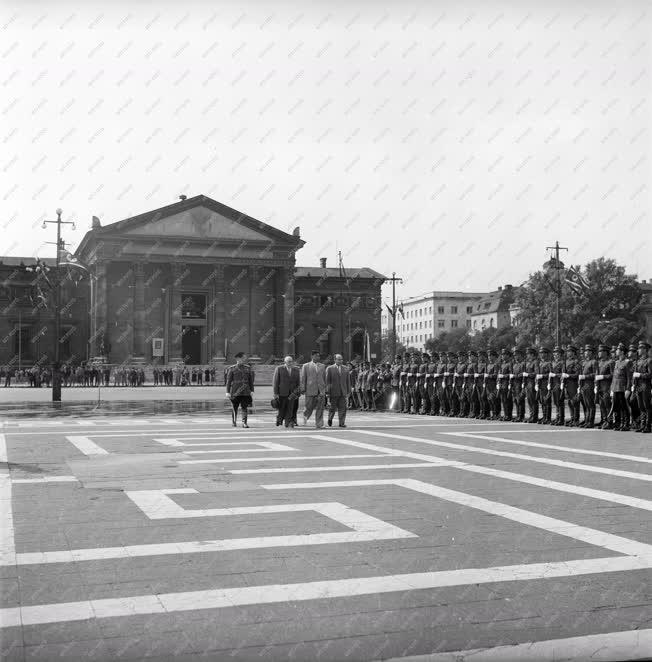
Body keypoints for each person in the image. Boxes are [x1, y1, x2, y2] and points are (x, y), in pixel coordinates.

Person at [225, 352, 255, 428]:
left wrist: (252, 390)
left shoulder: (247, 368)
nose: (244, 359)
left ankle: (244, 423)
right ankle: (234, 422)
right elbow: (228, 381)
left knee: (244, 407)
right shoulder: (231, 368)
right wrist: (227, 392)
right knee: (234, 407)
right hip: (235, 392)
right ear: (238, 359)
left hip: (245, 391)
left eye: (244, 358)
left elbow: (250, 381)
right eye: (243, 358)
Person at [273, 355, 301, 428]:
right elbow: (276, 381)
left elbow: (298, 383)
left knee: (290, 408)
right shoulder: (279, 369)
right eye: (289, 361)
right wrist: (275, 393)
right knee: (282, 408)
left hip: (292, 393)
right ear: (285, 362)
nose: (290, 363)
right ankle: (279, 419)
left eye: (291, 361)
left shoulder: (296, 370)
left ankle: (287, 423)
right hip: (282, 392)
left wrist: (297, 393)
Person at [300, 350, 326, 429]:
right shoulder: (306, 366)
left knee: (320, 408)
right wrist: (303, 389)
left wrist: (325, 389)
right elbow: (303, 378)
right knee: (309, 407)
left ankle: (319, 424)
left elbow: (324, 378)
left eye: (319, 356)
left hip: (320, 390)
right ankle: (305, 416)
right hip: (310, 390)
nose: (318, 357)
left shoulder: (322, 366)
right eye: (316, 356)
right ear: (312, 356)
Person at [325, 354, 350, 427]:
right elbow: (327, 381)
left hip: (343, 392)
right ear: (335, 360)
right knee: (332, 408)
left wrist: (348, 391)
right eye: (339, 359)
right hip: (333, 392)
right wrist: (327, 392)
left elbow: (347, 381)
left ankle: (341, 423)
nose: (341, 361)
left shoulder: (346, 368)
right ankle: (330, 418)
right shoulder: (329, 368)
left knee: (343, 408)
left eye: (341, 359)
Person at [633, 340, 651, 433]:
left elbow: (650, 374)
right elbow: (634, 375)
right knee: (640, 406)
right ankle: (642, 425)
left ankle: (648, 426)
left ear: (645, 349)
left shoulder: (649, 360)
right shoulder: (638, 361)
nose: (638, 350)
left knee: (646, 405)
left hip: (645, 385)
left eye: (640, 348)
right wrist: (634, 385)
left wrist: (640, 375)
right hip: (638, 385)